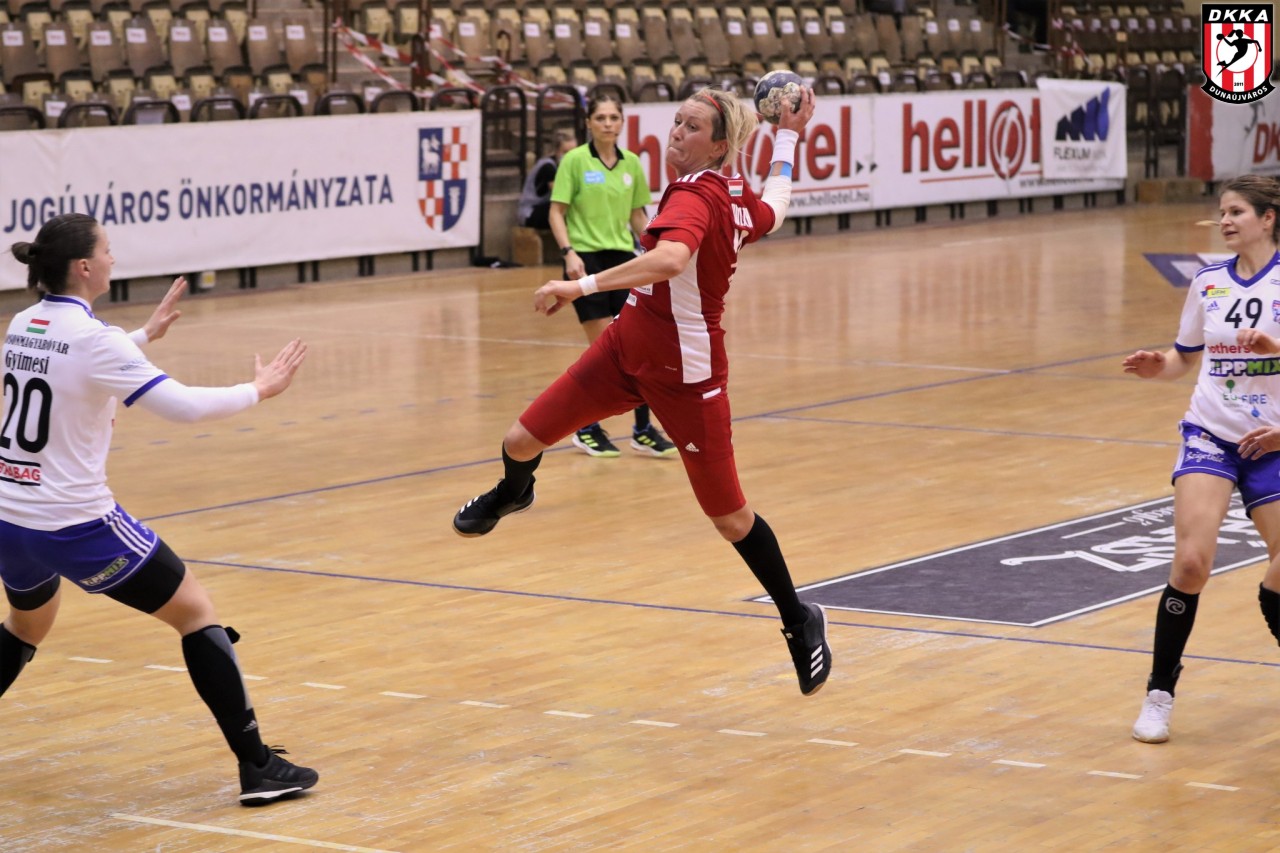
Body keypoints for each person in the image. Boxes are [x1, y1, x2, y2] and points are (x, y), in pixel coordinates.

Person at [452, 86, 833, 696]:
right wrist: (787, 135)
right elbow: (777, 204)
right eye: (676, 121)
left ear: (719, 145)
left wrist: (579, 288)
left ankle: (798, 617)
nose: (676, 131)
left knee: (731, 518)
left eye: (691, 127)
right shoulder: (735, 194)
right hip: (625, 349)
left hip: (687, 376)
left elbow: (671, 260)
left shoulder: (696, 194)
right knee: (520, 441)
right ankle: (513, 493)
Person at [0, 213, 317, 805]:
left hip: (11, 520)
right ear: (84, 267)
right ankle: (258, 768)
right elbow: (183, 407)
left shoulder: (25, 322)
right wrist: (260, 389)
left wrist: (142, 338)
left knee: (26, 626)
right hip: (75, 524)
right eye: (107, 250)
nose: (114, 259)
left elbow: (72, 362)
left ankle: (258, 764)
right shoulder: (96, 340)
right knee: (196, 612)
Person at [1124, 175, 1280, 743]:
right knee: (1191, 564)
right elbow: (1184, 356)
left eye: (1237, 212)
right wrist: (1159, 365)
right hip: (1211, 433)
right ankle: (1158, 695)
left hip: (1275, 441)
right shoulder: (1208, 281)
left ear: (1268, 218)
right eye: (1222, 212)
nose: (1225, 221)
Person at [548, 92, 676, 459]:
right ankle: (586, 428)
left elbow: (637, 215)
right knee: (605, 350)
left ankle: (642, 429)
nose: (607, 124)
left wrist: (656, 248)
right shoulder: (574, 161)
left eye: (613, 118)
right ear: (588, 122)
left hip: (622, 261)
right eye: (600, 118)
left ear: (622, 122)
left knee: (636, 347)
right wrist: (569, 253)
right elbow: (556, 212)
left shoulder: (631, 163)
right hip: (585, 259)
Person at [516, 127, 578, 231]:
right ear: (556, 151)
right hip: (531, 213)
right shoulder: (548, 167)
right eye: (566, 152)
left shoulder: (567, 167)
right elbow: (560, 195)